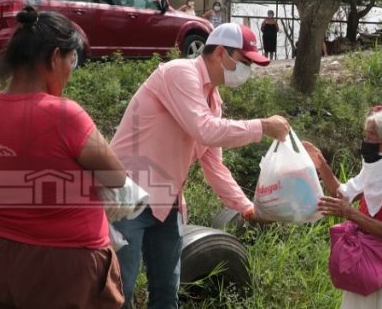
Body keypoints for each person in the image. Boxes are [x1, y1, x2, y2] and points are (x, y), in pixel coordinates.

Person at [110, 23, 293, 308]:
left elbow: (213, 164)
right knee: (122, 291)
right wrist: (262, 127)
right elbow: (205, 130)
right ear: (221, 53)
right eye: (244, 62)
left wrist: (245, 208)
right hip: (128, 195)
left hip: (166, 202)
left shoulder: (213, 101)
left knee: (167, 290)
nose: (247, 70)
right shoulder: (179, 73)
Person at [0, 7, 127, 308]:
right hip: (65, 265)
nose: (70, 71)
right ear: (55, 57)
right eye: (72, 61)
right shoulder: (64, 114)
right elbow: (117, 176)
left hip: (2, 254)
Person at [304, 109, 382, 309]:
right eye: (366, 135)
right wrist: (320, 164)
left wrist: (350, 213)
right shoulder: (376, 168)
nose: (366, 141)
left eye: (372, 136)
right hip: (368, 256)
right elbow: (342, 195)